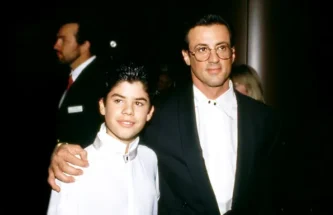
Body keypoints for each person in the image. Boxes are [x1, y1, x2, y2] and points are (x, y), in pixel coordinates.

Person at [48, 14, 282, 214]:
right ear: (186, 56)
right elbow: (117, 138)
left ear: (232, 54)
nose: (213, 59)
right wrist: (61, 150)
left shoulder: (265, 120)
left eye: (221, 48)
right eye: (202, 49)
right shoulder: (158, 114)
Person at [47, 62, 159, 215]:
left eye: (138, 103)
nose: (128, 110)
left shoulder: (150, 159)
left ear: (149, 113)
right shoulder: (73, 166)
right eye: (118, 100)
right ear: (102, 106)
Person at [53, 17, 107, 148]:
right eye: (57, 39)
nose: (56, 45)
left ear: (84, 45)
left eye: (63, 40)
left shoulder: (103, 80)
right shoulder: (64, 78)